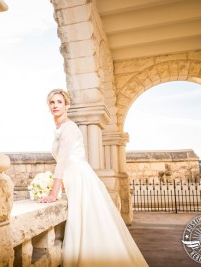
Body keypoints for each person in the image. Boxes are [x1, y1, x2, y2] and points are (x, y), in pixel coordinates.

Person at [38, 89, 148, 267]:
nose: (55, 105)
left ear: (67, 105)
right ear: (48, 106)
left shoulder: (69, 128)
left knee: (89, 223)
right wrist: (64, 184)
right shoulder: (60, 128)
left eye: (59, 102)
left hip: (80, 178)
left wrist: (53, 193)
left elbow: (63, 162)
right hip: (73, 177)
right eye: (52, 102)